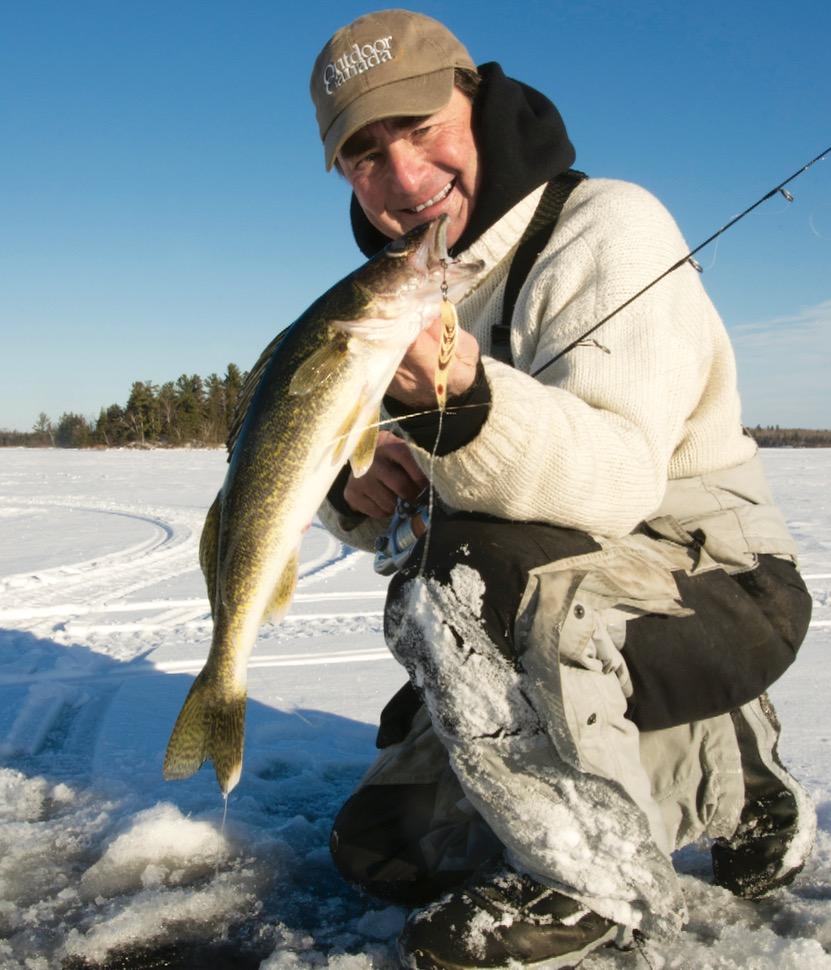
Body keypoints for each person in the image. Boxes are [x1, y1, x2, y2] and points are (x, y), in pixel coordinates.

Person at [308, 10, 815, 970]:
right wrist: (358, 483)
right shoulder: (401, 288)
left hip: (718, 581)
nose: (404, 179)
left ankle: (601, 879)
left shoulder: (606, 226)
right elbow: (396, 525)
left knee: (471, 572)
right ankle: (720, 771)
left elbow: (619, 479)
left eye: (419, 129)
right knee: (383, 852)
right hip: (546, 590)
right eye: (365, 154)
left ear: (476, 100)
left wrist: (461, 406)